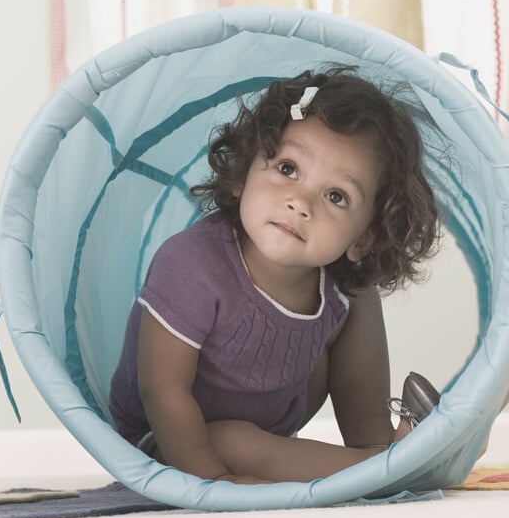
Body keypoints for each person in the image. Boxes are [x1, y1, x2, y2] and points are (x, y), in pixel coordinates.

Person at [108, 66, 442, 484]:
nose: (300, 202)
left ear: (363, 237)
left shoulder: (340, 284)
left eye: (336, 196)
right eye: (287, 169)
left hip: (273, 410)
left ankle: (378, 446)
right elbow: (161, 390)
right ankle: (397, 469)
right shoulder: (190, 264)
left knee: (357, 291)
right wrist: (210, 483)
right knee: (232, 441)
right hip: (166, 438)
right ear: (241, 173)